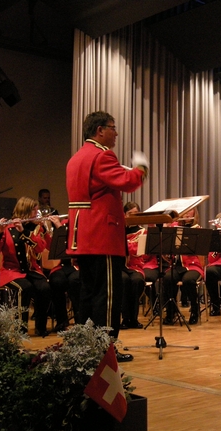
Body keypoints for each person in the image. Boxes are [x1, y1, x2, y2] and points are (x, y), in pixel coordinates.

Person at [65, 111, 149, 362]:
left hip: (83, 235)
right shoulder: (102, 155)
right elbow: (127, 182)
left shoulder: (76, 158)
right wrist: (141, 168)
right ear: (100, 130)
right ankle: (105, 351)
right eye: (113, 128)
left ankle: (86, 347)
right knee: (108, 296)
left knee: (88, 294)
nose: (116, 133)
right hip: (102, 235)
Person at [0, 196, 53, 336]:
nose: (37, 214)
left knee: (45, 288)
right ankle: (20, 329)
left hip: (31, 270)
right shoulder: (7, 228)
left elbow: (40, 248)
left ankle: (41, 327)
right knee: (25, 288)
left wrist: (24, 231)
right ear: (26, 211)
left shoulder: (36, 228)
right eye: (34, 211)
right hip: (11, 271)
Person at [120, 202, 146, 329]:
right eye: (130, 214)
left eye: (136, 213)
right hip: (120, 266)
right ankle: (125, 318)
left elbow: (138, 250)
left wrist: (125, 245)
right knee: (123, 280)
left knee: (137, 281)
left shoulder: (143, 231)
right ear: (124, 215)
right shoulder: (118, 230)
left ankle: (134, 318)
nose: (133, 216)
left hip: (135, 266)